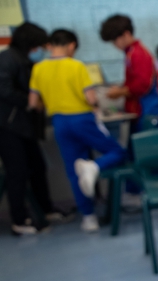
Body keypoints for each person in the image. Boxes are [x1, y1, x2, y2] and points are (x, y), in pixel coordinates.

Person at [29, 29, 127, 233]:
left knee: (74, 171)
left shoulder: (38, 68)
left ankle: (88, 218)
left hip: (59, 122)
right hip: (82, 119)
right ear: (71, 45)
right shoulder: (76, 66)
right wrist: (97, 105)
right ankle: (94, 166)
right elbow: (90, 98)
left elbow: (33, 103)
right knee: (117, 151)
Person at [0, 22, 71, 235]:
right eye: (39, 46)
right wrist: (31, 102)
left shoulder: (25, 60)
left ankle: (46, 209)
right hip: (7, 125)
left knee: (38, 167)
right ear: (30, 45)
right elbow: (4, 90)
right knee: (17, 171)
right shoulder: (7, 59)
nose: (42, 50)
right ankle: (19, 220)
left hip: (24, 125)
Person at [99, 14, 158, 132]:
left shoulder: (138, 54)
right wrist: (120, 88)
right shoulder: (130, 53)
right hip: (138, 109)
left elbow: (143, 85)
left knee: (145, 143)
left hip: (147, 110)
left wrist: (120, 92)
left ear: (126, 34)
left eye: (115, 40)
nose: (114, 45)